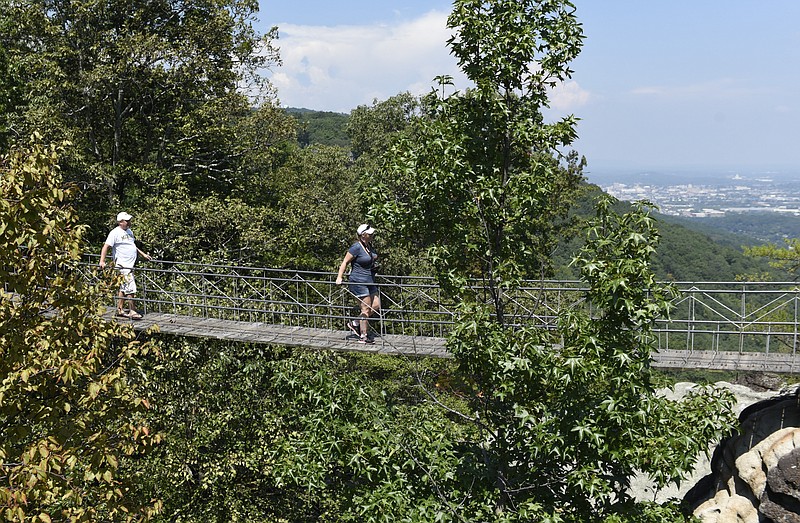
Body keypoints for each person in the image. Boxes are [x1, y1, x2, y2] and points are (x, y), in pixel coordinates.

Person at [99, 211, 152, 320]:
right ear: (120, 222)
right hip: (122, 265)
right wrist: (102, 261)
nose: (129, 222)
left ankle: (119, 309)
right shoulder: (115, 233)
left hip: (130, 265)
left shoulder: (129, 232)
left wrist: (143, 254)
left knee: (123, 287)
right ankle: (132, 311)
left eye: (129, 220)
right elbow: (106, 246)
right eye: (127, 221)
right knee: (131, 288)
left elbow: (132, 245)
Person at [336, 224, 381, 344]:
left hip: (370, 280)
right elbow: (345, 261)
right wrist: (339, 277)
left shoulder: (368, 246)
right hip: (358, 281)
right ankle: (363, 336)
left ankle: (355, 323)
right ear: (363, 235)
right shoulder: (356, 247)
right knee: (365, 309)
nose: (372, 235)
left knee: (376, 305)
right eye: (370, 234)